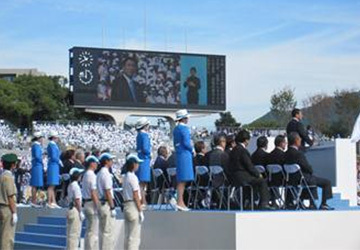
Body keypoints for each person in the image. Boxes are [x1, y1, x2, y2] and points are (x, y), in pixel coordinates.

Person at [284, 132, 334, 210]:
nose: (300, 140)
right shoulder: (298, 154)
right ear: (296, 140)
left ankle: (301, 201)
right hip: (302, 178)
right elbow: (307, 167)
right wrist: (310, 171)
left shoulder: (285, 154)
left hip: (291, 179)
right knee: (326, 182)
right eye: (299, 139)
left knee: (308, 181)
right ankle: (323, 204)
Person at [229, 130, 273, 210]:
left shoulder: (233, 151)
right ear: (246, 140)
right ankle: (264, 203)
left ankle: (250, 202)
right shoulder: (243, 151)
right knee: (262, 181)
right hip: (242, 177)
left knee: (254, 181)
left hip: (234, 177)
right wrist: (258, 174)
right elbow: (249, 166)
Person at [122, 154, 145, 250]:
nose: (138, 165)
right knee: (134, 237)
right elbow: (136, 195)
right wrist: (140, 210)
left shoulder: (125, 177)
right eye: (137, 163)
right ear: (133, 164)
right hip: (133, 206)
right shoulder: (133, 177)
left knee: (128, 235)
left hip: (126, 205)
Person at [173, 109, 194, 211]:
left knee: (181, 179)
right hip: (185, 155)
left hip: (179, 154)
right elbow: (186, 143)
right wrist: (192, 148)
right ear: (185, 118)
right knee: (183, 180)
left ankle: (180, 201)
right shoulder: (184, 129)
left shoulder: (176, 129)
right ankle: (180, 202)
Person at [97, 153, 117, 250]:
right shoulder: (106, 174)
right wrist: (112, 207)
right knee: (108, 233)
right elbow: (108, 191)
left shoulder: (100, 173)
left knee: (103, 231)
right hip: (106, 204)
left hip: (101, 203)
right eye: (110, 160)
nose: (112, 162)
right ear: (106, 161)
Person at [0, 153, 19, 250]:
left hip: (3, 208)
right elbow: (10, 197)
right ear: (13, 165)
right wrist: (14, 212)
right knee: (7, 238)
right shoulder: (8, 177)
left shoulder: (2, 176)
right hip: (7, 209)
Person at [82, 156, 100, 250]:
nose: (97, 165)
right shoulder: (92, 175)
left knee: (89, 231)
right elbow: (93, 192)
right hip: (91, 204)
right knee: (93, 232)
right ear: (92, 163)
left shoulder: (85, 174)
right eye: (96, 162)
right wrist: (98, 206)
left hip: (86, 203)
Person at [66, 168, 85, 250]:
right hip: (75, 209)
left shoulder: (70, 185)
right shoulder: (76, 186)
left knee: (70, 233)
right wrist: (80, 212)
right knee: (75, 233)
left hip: (70, 209)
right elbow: (77, 200)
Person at [135, 117, 151, 206]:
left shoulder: (139, 135)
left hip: (140, 158)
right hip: (144, 159)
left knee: (142, 182)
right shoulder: (144, 135)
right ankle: (143, 201)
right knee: (142, 182)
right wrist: (149, 154)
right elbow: (145, 148)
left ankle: (143, 201)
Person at [47, 130, 61, 209]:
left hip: (54, 165)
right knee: (51, 185)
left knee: (53, 185)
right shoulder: (51, 145)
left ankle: (53, 201)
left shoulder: (53, 145)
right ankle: (49, 202)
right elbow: (53, 156)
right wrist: (58, 160)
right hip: (53, 165)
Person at [30, 132, 44, 208]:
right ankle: (34, 201)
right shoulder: (36, 145)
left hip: (37, 166)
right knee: (35, 184)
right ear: (38, 138)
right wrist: (42, 162)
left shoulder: (36, 145)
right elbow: (38, 157)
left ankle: (35, 200)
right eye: (41, 138)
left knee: (36, 184)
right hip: (37, 166)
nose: (42, 139)